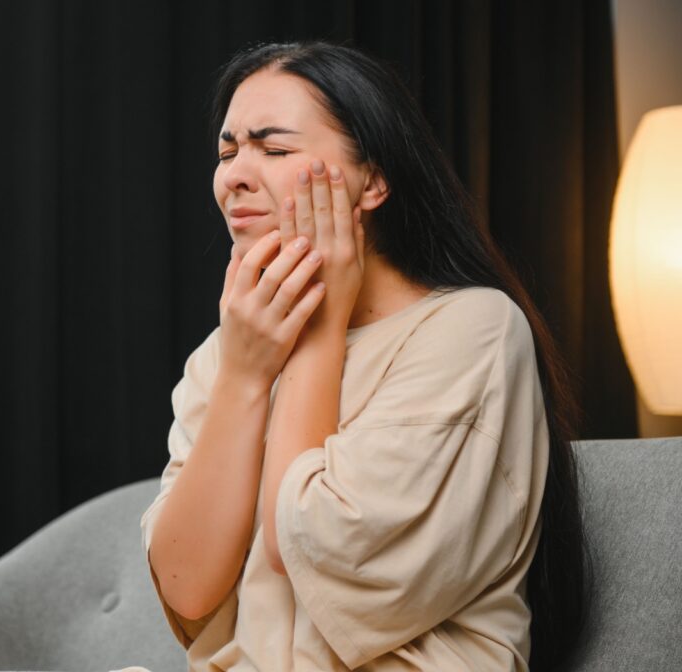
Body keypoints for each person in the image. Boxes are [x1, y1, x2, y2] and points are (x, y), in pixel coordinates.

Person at [137, 42, 588, 671]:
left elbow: (314, 545)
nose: (234, 174)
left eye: (274, 148)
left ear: (372, 181)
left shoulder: (473, 330)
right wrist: (242, 374)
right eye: (227, 150)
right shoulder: (228, 352)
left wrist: (320, 333)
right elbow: (185, 587)